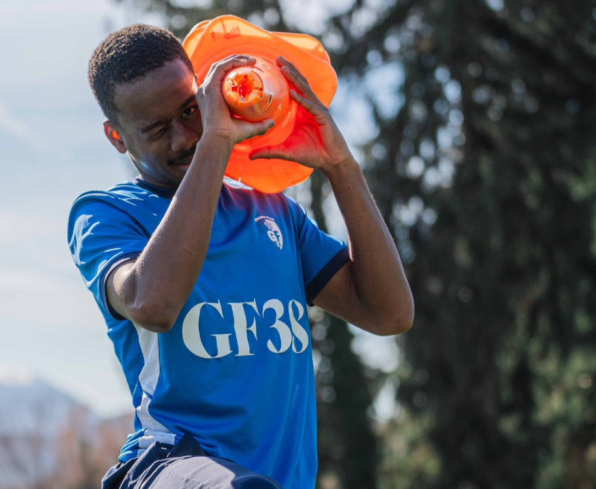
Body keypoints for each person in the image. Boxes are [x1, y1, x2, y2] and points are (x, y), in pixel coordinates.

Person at [68, 24, 413, 489]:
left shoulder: (273, 212)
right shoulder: (106, 214)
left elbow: (389, 314)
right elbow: (153, 304)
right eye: (157, 129)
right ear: (117, 137)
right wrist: (215, 140)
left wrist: (341, 167)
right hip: (170, 464)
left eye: (191, 111)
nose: (183, 138)